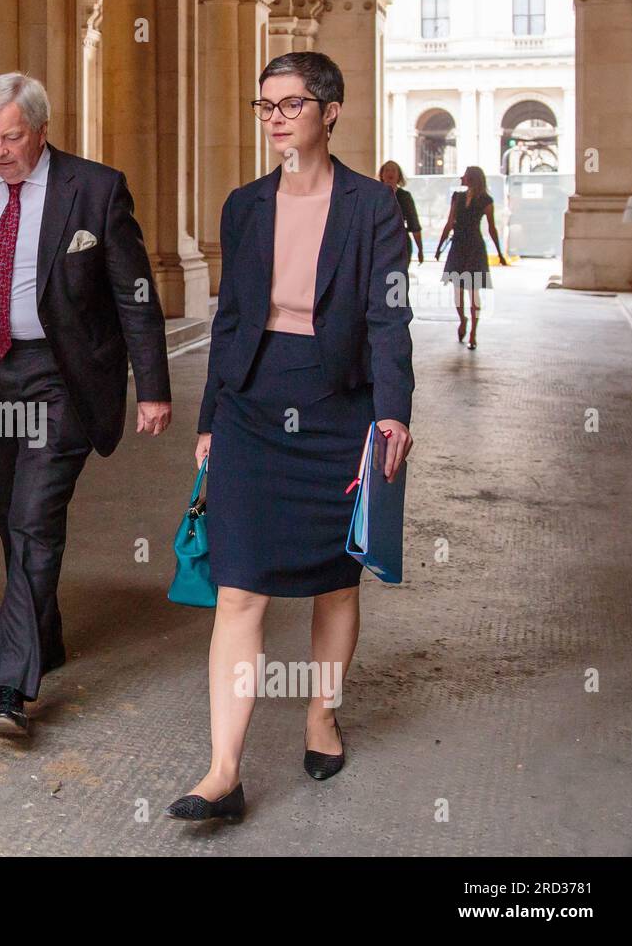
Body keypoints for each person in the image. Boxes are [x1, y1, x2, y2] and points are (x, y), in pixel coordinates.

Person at [166, 52, 414, 823]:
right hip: (253, 400)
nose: (275, 116)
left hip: (340, 402)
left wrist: (394, 412)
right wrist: (209, 419)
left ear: (331, 111)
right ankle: (223, 770)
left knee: (336, 581)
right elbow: (231, 321)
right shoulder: (243, 206)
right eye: (265, 104)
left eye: (292, 103)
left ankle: (320, 713)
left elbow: (388, 318)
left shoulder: (374, 208)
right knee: (238, 585)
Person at [0, 72, 172, 738]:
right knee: (10, 517)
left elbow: (134, 293)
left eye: (12, 138)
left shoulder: (97, 189)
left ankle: (10, 687)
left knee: (32, 518)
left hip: (61, 377)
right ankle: (43, 637)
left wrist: (154, 386)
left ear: (42, 128)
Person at [435, 165, 507, 350]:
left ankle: (473, 332)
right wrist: (439, 246)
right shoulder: (457, 197)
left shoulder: (485, 200)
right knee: (458, 290)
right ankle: (463, 320)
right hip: (459, 244)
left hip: (473, 246)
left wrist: (499, 253)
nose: (462, 177)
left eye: (465, 175)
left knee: (473, 291)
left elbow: (491, 228)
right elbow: (450, 222)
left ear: (472, 178)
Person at [378, 160, 423, 272]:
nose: (390, 173)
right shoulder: (374, 195)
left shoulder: (405, 196)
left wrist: (420, 249)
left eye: (393, 170)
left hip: (400, 242)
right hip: (379, 242)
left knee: (398, 279)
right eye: (387, 170)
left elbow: (414, 223)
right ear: (382, 175)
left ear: (399, 175)